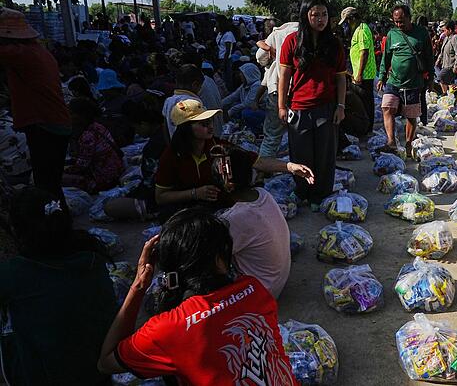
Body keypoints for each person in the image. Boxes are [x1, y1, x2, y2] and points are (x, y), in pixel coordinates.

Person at [97, 209, 297, 384]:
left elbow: (106, 363)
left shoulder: (169, 328)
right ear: (221, 256)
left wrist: (138, 286)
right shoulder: (254, 289)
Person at [1, 187, 117, 385]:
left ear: (17, 231)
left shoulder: (17, 272)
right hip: (100, 370)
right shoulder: (91, 255)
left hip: (49, 376)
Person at [155, 99, 313, 219]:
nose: (209, 126)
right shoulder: (171, 156)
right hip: (190, 209)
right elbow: (161, 197)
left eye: (209, 121)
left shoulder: (217, 145)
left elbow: (258, 161)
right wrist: (195, 193)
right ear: (185, 129)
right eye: (203, 124)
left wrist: (291, 167)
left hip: (219, 206)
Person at [277, 0, 346, 210]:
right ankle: (303, 191)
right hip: (298, 108)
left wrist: (341, 106)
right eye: (315, 14)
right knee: (301, 154)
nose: (320, 19)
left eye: (324, 14)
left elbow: (341, 77)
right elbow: (284, 76)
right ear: (305, 16)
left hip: (327, 107)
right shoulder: (292, 41)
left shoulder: (334, 44)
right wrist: (281, 106)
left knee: (325, 156)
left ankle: (320, 195)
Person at [0, 7, 71, 200]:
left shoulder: (20, 53)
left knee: (46, 185)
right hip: (52, 122)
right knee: (49, 184)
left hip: (46, 123)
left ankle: (53, 225)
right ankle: (56, 223)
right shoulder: (38, 51)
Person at [218, 150, 291, 298]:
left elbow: (218, 264)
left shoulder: (234, 218)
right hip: (277, 281)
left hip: (261, 293)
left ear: (227, 184)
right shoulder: (262, 194)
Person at [378, 5, 434, 154]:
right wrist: (382, 75)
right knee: (387, 107)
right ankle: (391, 142)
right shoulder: (392, 34)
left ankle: (408, 143)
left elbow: (429, 56)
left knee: (410, 115)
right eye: (396, 21)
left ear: (409, 18)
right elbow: (387, 56)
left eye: (401, 21)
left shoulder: (421, 33)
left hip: (413, 83)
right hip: (393, 81)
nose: (399, 24)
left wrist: (431, 77)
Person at [103, 94, 167, 220]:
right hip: (164, 192)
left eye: (136, 128)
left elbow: (150, 183)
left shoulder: (154, 145)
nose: (136, 132)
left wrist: (133, 195)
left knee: (109, 207)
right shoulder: (163, 134)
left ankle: (153, 213)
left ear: (143, 124)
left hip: (159, 198)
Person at [255, 0, 300, 158]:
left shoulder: (277, 34)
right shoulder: (308, 33)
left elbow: (260, 57)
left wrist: (271, 58)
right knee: (300, 134)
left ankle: (263, 172)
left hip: (276, 88)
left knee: (272, 136)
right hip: (300, 91)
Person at [62, 98, 124, 194]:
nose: (69, 117)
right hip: (116, 170)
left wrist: (65, 170)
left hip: (105, 179)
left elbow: (81, 166)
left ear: (81, 116)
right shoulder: (97, 126)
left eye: (71, 113)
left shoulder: (87, 136)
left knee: (57, 178)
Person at [342, 7, 377, 134]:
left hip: (364, 74)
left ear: (352, 19)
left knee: (365, 103)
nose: (347, 25)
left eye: (347, 21)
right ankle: (365, 128)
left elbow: (364, 53)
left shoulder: (362, 30)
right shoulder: (358, 29)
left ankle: (367, 129)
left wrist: (359, 74)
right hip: (359, 73)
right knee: (363, 102)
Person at [162, 64, 204, 137]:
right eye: (200, 87)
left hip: (175, 145)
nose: (200, 89)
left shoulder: (168, 101)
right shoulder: (194, 103)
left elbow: (165, 127)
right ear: (195, 85)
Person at [223, 62, 264, 135]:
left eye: (242, 73)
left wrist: (229, 112)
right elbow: (233, 97)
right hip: (249, 109)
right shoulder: (244, 86)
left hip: (261, 112)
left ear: (248, 74)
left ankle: (256, 130)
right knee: (234, 104)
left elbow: (248, 104)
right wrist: (219, 104)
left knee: (245, 112)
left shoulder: (257, 85)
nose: (240, 75)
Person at [436, 19, 457, 94]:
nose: (444, 32)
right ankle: (451, 96)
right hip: (445, 64)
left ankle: (445, 94)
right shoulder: (446, 38)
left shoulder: (455, 38)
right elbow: (442, 51)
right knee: (449, 83)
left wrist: (456, 66)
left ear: (450, 30)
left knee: (440, 77)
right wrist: (438, 60)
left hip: (451, 66)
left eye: (445, 30)